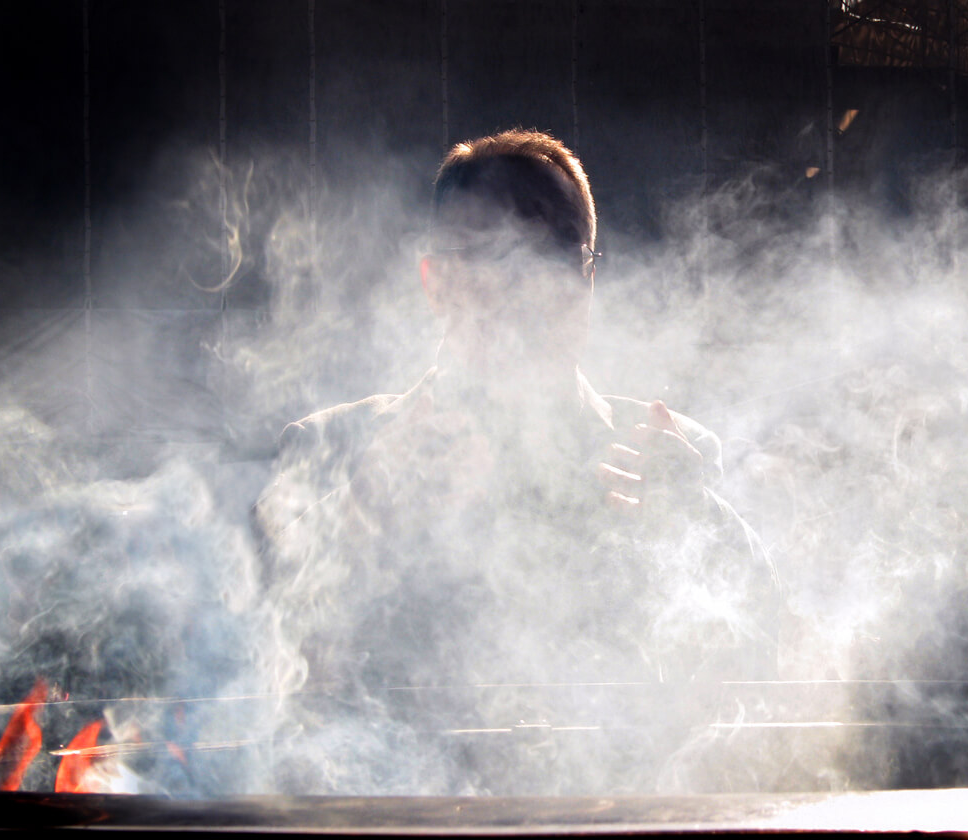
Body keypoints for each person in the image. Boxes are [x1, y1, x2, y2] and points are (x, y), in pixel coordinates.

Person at [254, 132, 778, 789]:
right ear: (435, 281)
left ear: (587, 277)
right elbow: (258, 691)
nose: (524, 282)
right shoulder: (330, 453)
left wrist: (697, 539)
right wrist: (360, 527)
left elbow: (766, 687)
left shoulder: (668, 458)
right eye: (487, 252)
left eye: (554, 249)